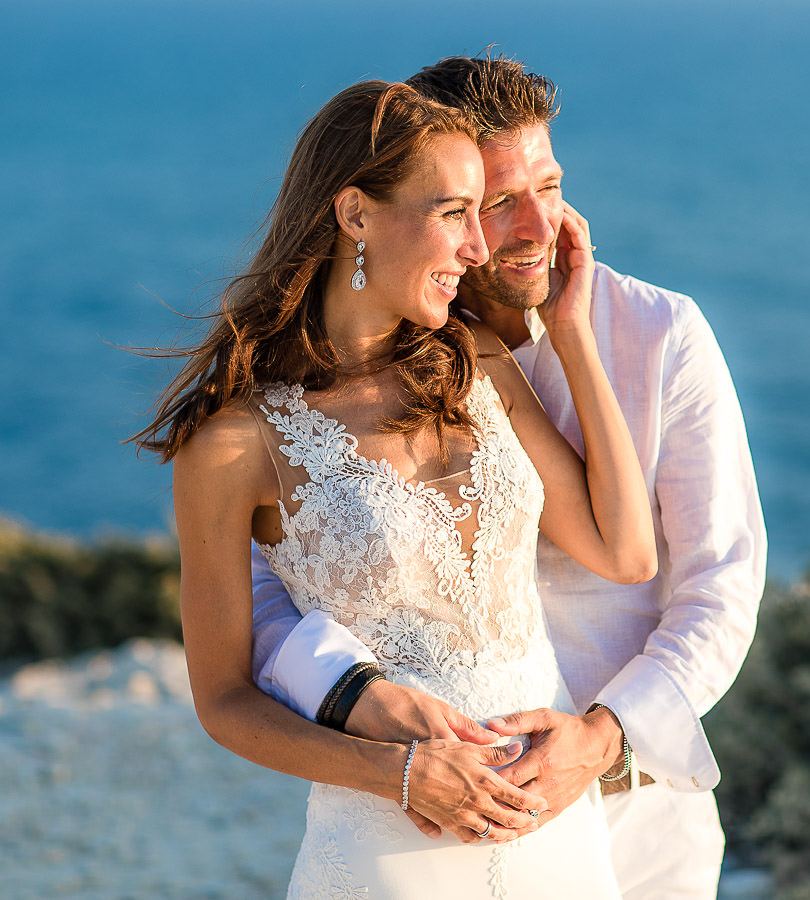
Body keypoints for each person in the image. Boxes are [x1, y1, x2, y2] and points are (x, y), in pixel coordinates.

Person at [251, 55, 768, 898]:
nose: (535, 225)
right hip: (429, 808)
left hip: (636, 816)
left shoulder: (664, 334)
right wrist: (357, 693)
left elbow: (721, 587)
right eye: (495, 202)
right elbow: (264, 576)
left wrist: (602, 739)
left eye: (551, 185)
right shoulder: (379, 357)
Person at [137, 79, 659, 897]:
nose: (479, 250)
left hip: (555, 830)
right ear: (355, 215)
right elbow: (225, 701)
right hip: (392, 846)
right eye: (454, 212)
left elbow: (625, 550)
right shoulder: (236, 444)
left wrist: (571, 335)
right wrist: (401, 776)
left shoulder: (476, 361)